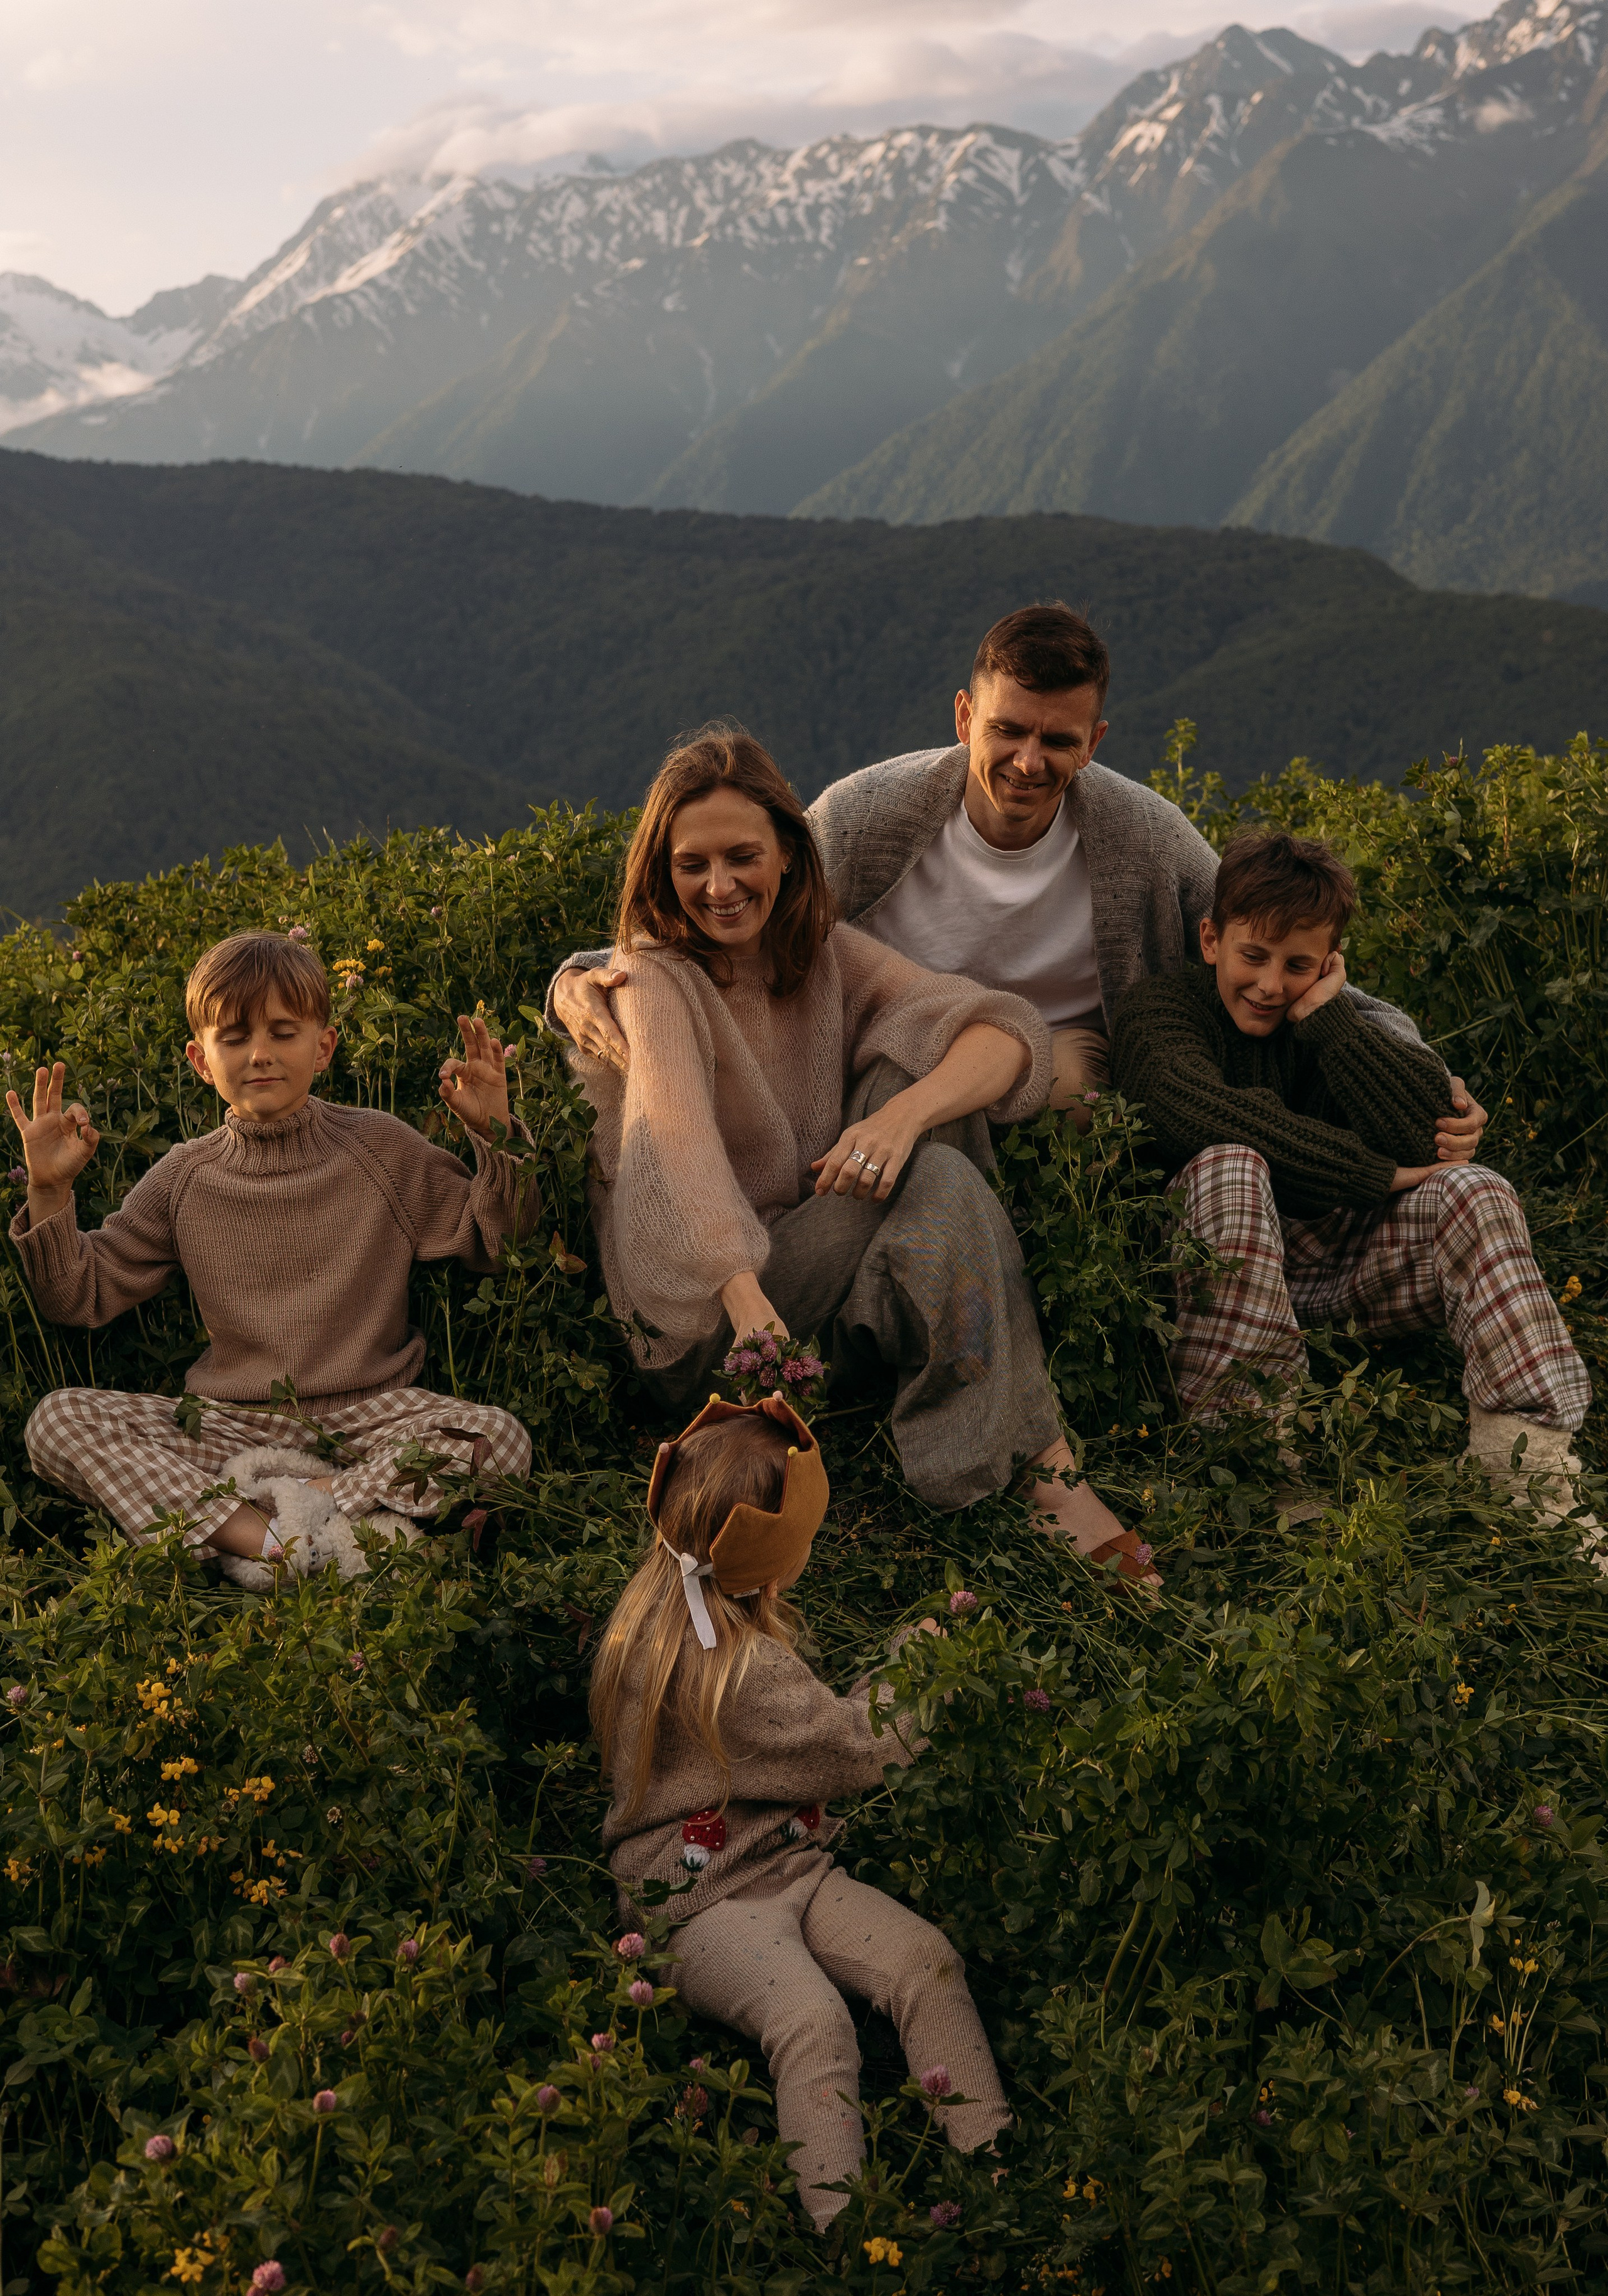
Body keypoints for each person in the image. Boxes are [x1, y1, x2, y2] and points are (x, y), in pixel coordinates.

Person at [549, 603, 1487, 1161]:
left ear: (1096, 743)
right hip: (890, 1038)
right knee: (884, 1081)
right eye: (1009, 730)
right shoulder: (872, 816)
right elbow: (731, 906)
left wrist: (1427, 1073)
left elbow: (1271, 944)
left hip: (1064, 1056)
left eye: (1058, 741)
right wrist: (596, 971)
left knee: (1066, 1085)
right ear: (966, 717)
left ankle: (1034, 1233)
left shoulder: (1142, 835)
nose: (1029, 760)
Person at [567, 721, 1156, 1583]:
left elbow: (1002, 1032)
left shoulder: (821, 955)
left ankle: (992, 1453)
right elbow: (673, 1146)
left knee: (922, 1090)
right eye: (691, 866)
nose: (719, 887)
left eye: (742, 857)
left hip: (807, 1263)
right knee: (941, 1166)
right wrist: (743, 1298)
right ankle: (1044, 1472)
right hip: (707, 1323)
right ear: (662, 873)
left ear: (790, 857)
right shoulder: (654, 979)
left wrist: (899, 1121)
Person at [591, 1394, 1011, 2231]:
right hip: (699, 1907)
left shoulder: (655, 1615)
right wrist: (921, 1666)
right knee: (812, 2022)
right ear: (770, 1559)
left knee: (922, 1960)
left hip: (781, 1861)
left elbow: (806, 1741)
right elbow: (856, 1748)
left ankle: (991, 2167)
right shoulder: (744, 1673)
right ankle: (847, 2237)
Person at [7, 931, 538, 1583]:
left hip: (371, 1420)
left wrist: (494, 1137)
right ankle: (273, 1541)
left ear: (324, 1045)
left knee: (500, 1436)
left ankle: (285, 1518)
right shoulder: (183, 1178)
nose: (259, 1054)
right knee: (56, 1420)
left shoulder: (379, 1148)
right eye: (233, 1038)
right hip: (232, 1426)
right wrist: (49, 1191)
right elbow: (76, 1295)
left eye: (284, 1032)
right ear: (201, 1060)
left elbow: (496, 1241)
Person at [1109, 831, 1591, 1513]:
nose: (1271, 984)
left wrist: (1329, 1020)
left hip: (1332, 1268)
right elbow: (1191, 1111)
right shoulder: (1160, 1011)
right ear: (1211, 938)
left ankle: (1527, 1466)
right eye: (1252, 956)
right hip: (1209, 1276)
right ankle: (1255, 1453)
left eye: (1298, 965)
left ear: (1330, 962)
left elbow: (1429, 1132)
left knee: (1477, 1190)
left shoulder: (1329, 1018)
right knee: (1230, 1164)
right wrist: (1366, 1171)